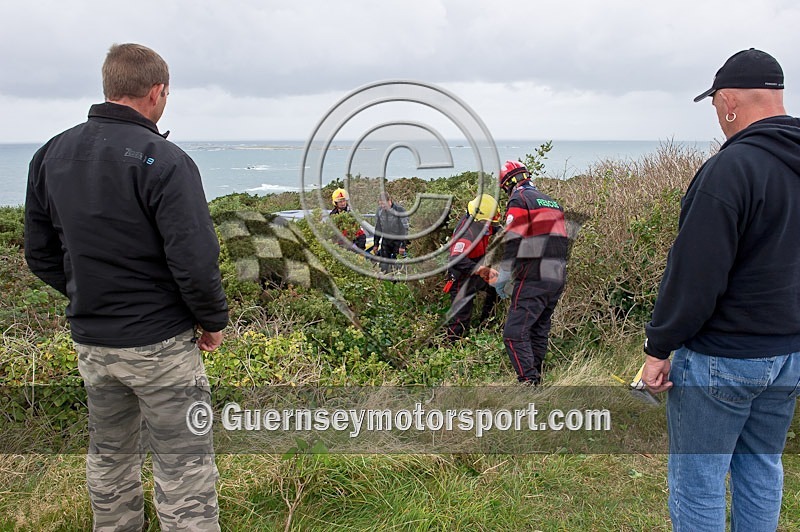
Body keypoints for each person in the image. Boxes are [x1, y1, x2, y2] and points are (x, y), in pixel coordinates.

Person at [24, 43, 228, 531]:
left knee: (109, 458)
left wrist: (85, 292)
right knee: (184, 467)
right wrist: (212, 319)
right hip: (161, 342)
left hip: (93, 343)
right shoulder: (164, 159)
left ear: (110, 87)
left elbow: (40, 255)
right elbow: (194, 259)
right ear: (156, 92)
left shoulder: (50, 154)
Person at [642, 48, 800, 531]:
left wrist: (659, 346)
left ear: (729, 101)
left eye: (715, 106)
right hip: (790, 354)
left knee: (699, 477)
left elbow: (695, 274)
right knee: (761, 466)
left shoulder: (731, 169)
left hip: (724, 355)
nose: (718, 118)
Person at [494, 161, 568, 385]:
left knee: (514, 333)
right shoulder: (553, 203)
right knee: (537, 329)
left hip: (535, 275)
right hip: (557, 274)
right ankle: (537, 379)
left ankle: (529, 383)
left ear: (507, 184)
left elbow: (514, 239)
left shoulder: (519, 199)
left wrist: (505, 274)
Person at [445, 193, 501, 339]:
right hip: (461, 276)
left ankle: (486, 323)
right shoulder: (466, 233)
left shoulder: (481, 222)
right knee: (460, 320)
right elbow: (456, 259)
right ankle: (450, 345)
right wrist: (482, 270)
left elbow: (495, 229)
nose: (491, 225)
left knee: (495, 288)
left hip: (476, 269)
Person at [373, 191, 409, 272]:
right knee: (383, 266)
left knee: (398, 266)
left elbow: (405, 230)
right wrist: (375, 244)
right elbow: (378, 228)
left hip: (398, 241)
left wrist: (403, 246)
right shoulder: (379, 211)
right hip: (386, 241)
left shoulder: (400, 210)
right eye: (381, 204)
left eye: (384, 204)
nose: (383, 206)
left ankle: (397, 282)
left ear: (390, 201)